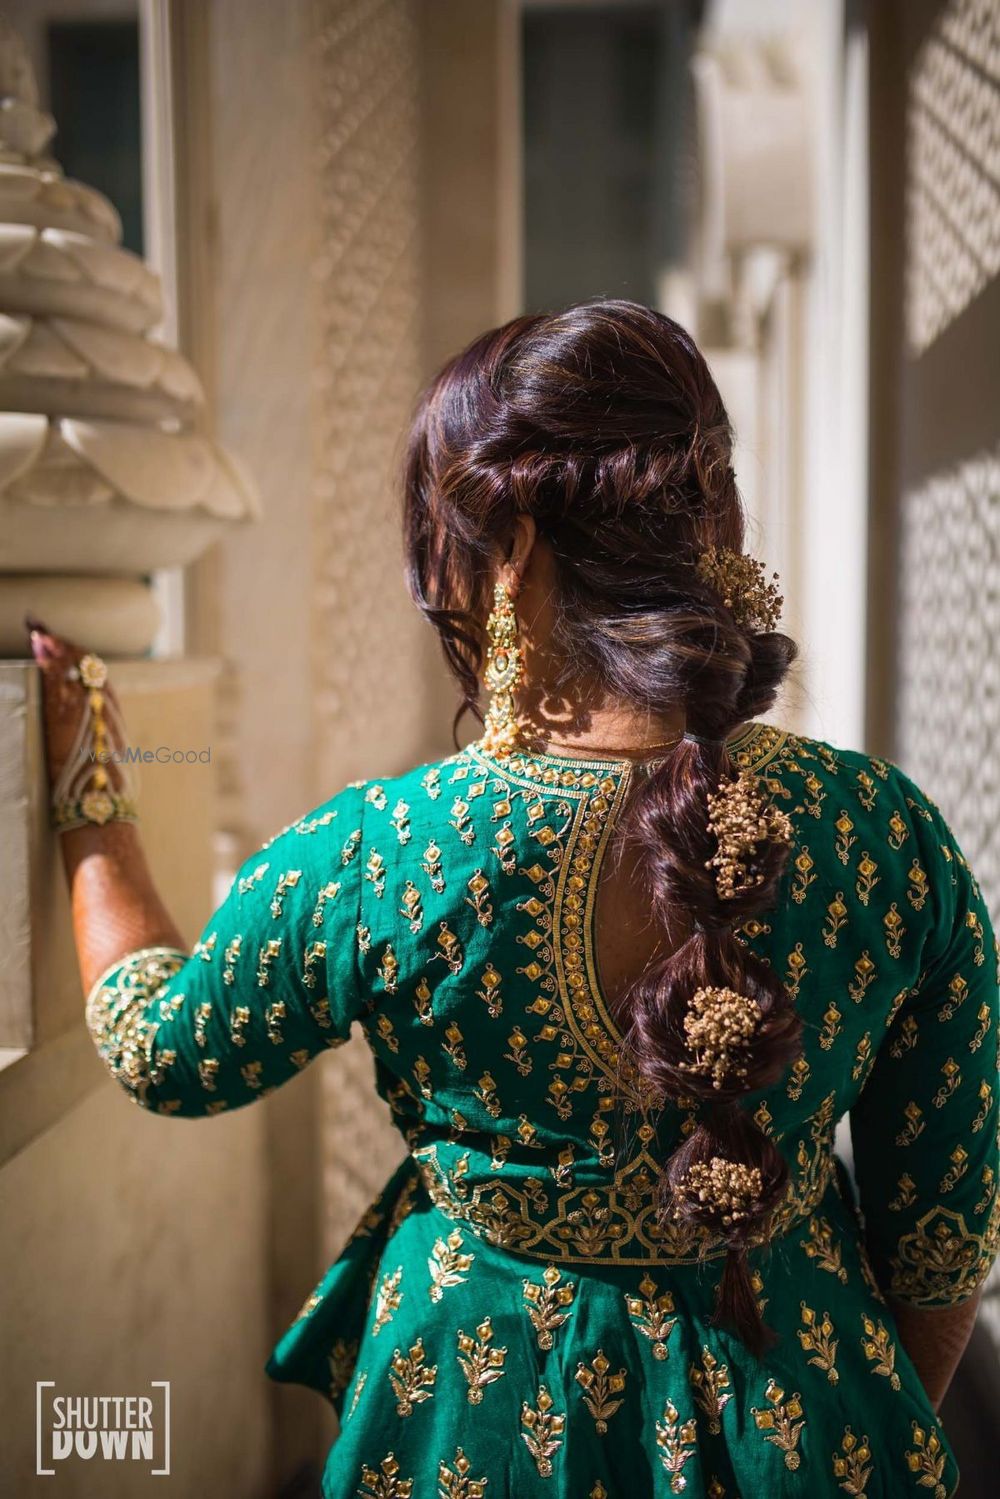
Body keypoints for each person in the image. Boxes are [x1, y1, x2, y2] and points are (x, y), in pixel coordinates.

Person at [31, 301, 998, 1499]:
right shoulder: (882, 830)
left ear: (507, 551)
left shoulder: (381, 856)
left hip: (473, 1431)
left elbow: (158, 1047)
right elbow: (942, 1236)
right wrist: (831, 1430)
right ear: (714, 522)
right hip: (811, 1410)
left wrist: (94, 796)